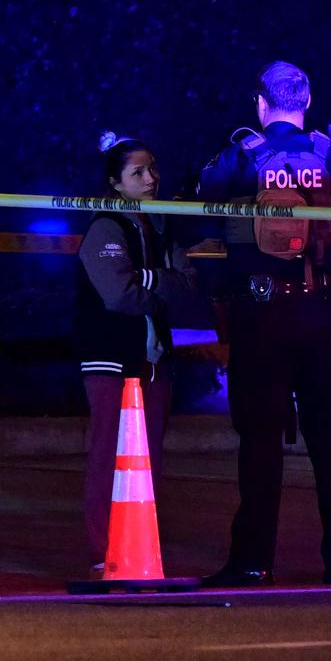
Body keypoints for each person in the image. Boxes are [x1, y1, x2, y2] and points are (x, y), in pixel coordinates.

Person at [198, 61, 331, 587]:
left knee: (260, 442)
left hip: (261, 318)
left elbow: (198, 213)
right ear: (306, 101)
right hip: (327, 317)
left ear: (261, 104)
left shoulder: (240, 160)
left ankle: (253, 561)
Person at [75, 133, 197, 575]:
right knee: (110, 456)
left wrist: (150, 280)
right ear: (115, 182)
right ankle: (102, 550)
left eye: (153, 170)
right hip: (111, 361)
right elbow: (118, 294)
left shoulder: (161, 226)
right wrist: (158, 284)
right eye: (138, 172)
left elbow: (187, 283)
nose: (151, 179)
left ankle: (137, 545)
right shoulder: (105, 228)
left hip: (154, 363)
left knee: (149, 465)